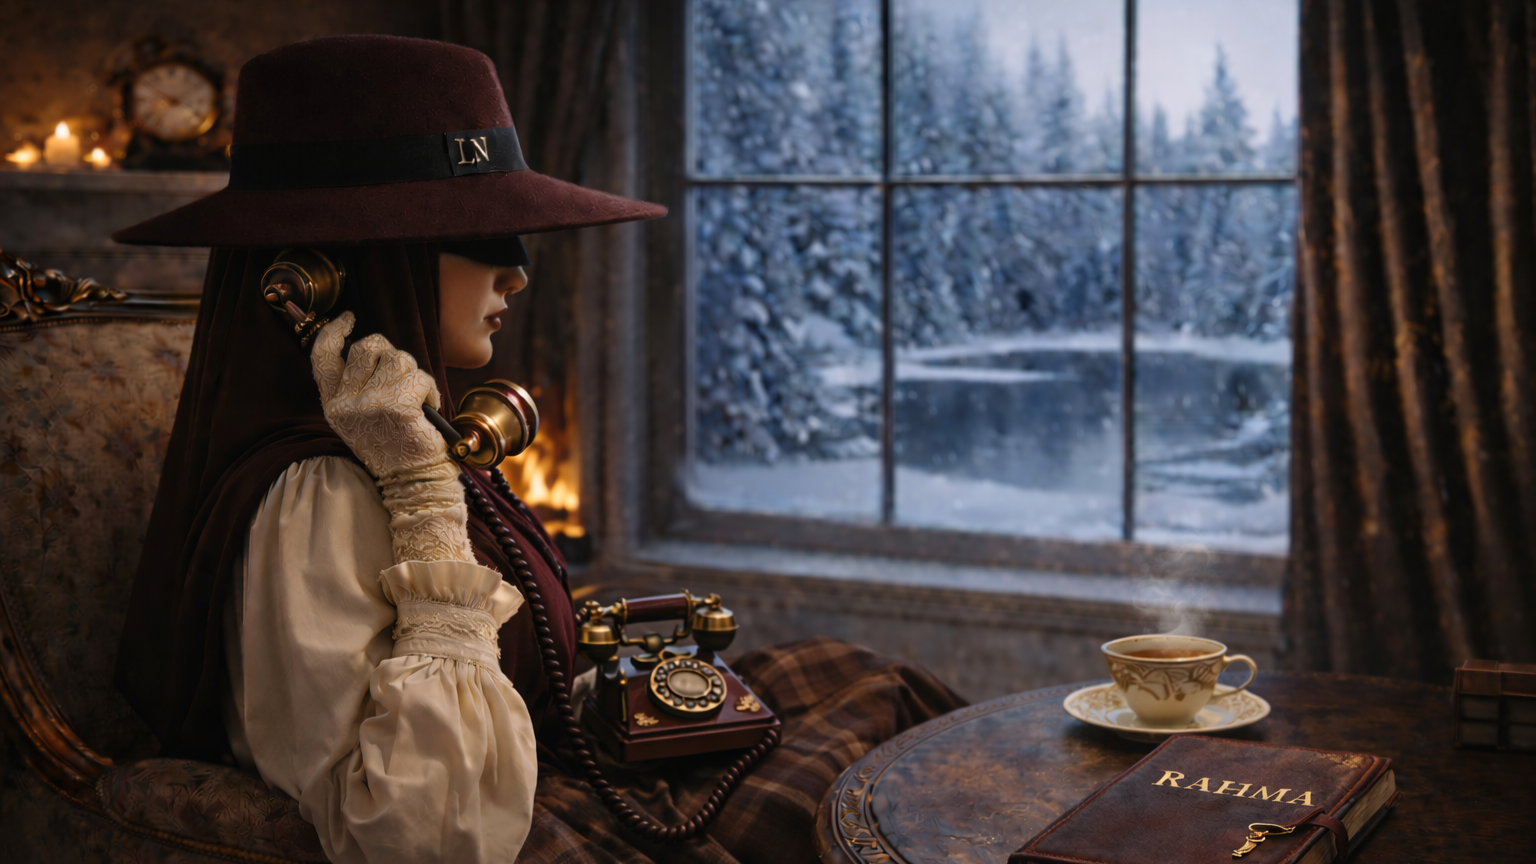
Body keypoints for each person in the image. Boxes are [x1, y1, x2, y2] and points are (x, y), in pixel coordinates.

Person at [113, 35, 964, 864]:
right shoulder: (323, 496)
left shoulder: (399, 436)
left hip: (541, 756)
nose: (517, 273)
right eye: (476, 234)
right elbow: (424, 834)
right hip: (500, 818)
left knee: (872, 684)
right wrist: (421, 494)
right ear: (330, 272)